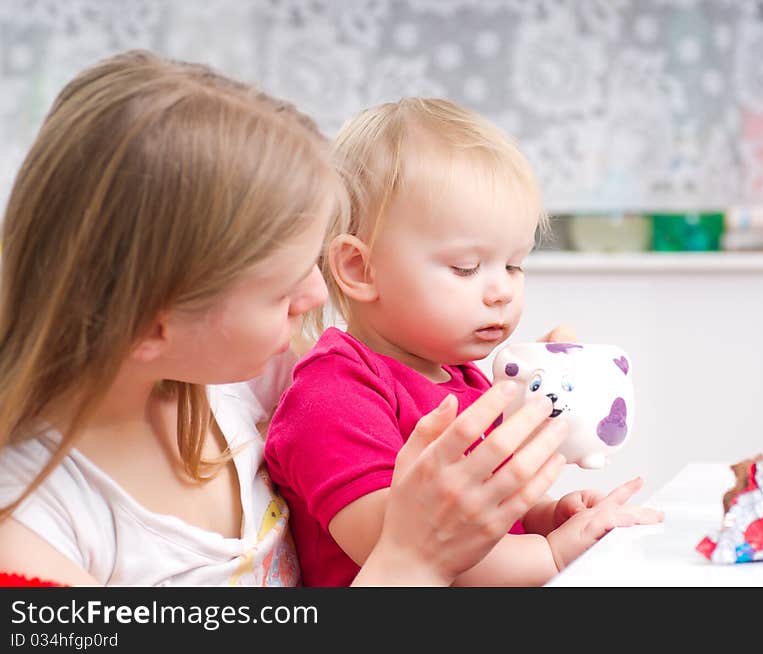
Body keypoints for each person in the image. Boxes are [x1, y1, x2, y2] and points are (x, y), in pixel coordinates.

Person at [0, 51, 579, 587]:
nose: (314, 295)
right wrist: (413, 561)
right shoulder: (30, 530)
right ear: (153, 322)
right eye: (280, 290)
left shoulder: (244, 382)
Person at [264, 98, 663, 587]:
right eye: (466, 268)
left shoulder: (463, 377)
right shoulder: (333, 393)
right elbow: (411, 546)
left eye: (514, 265)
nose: (502, 292)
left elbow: (481, 518)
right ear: (359, 269)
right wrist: (552, 554)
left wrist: (545, 517)